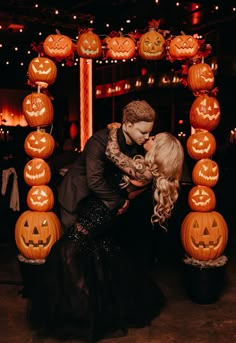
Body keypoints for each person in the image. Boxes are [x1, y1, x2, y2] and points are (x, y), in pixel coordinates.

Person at [28, 125, 184, 343]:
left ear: (159, 150)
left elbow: (111, 154)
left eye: (154, 137)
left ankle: (80, 316)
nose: (148, 137)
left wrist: (112, 131)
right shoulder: (147, 171)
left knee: (66, 251)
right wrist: (124, 198)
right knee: (96, 254)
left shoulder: (142, 171)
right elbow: (124, 190)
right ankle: (93, 310)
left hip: (99, 213)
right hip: (104, 212)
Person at [56, 99, 157, 231]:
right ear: (127, 125)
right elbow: (94, 181)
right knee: (72, 245)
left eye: (149, 132)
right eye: (143, 132)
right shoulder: (99, 141)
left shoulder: (137, 146)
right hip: (76, 198)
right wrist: (121, 201)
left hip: (100, 204)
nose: (147, 137)